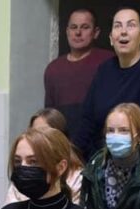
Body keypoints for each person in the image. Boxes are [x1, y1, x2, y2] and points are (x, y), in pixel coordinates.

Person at [73, 6, 140, 163]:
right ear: (111, 38)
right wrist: (74, 159)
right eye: (117, 26)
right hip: (100, 163)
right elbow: (87, 122)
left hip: (138, 165)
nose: (123, 31)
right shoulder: (104, 70)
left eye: (131, 25)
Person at [43, 8, 114, 140]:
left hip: (100, 142)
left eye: (85, 27)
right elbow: (50, 116)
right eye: (73, 27)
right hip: (64, 143)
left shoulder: (109, 62)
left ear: (96, 32)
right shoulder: (53, 69)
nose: (78, 32)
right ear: (67, 31)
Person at [5, 108, 83, 205]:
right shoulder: (23, 174)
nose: (38, 138)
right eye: (34, 132)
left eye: (45, 133)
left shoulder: (76, 176)